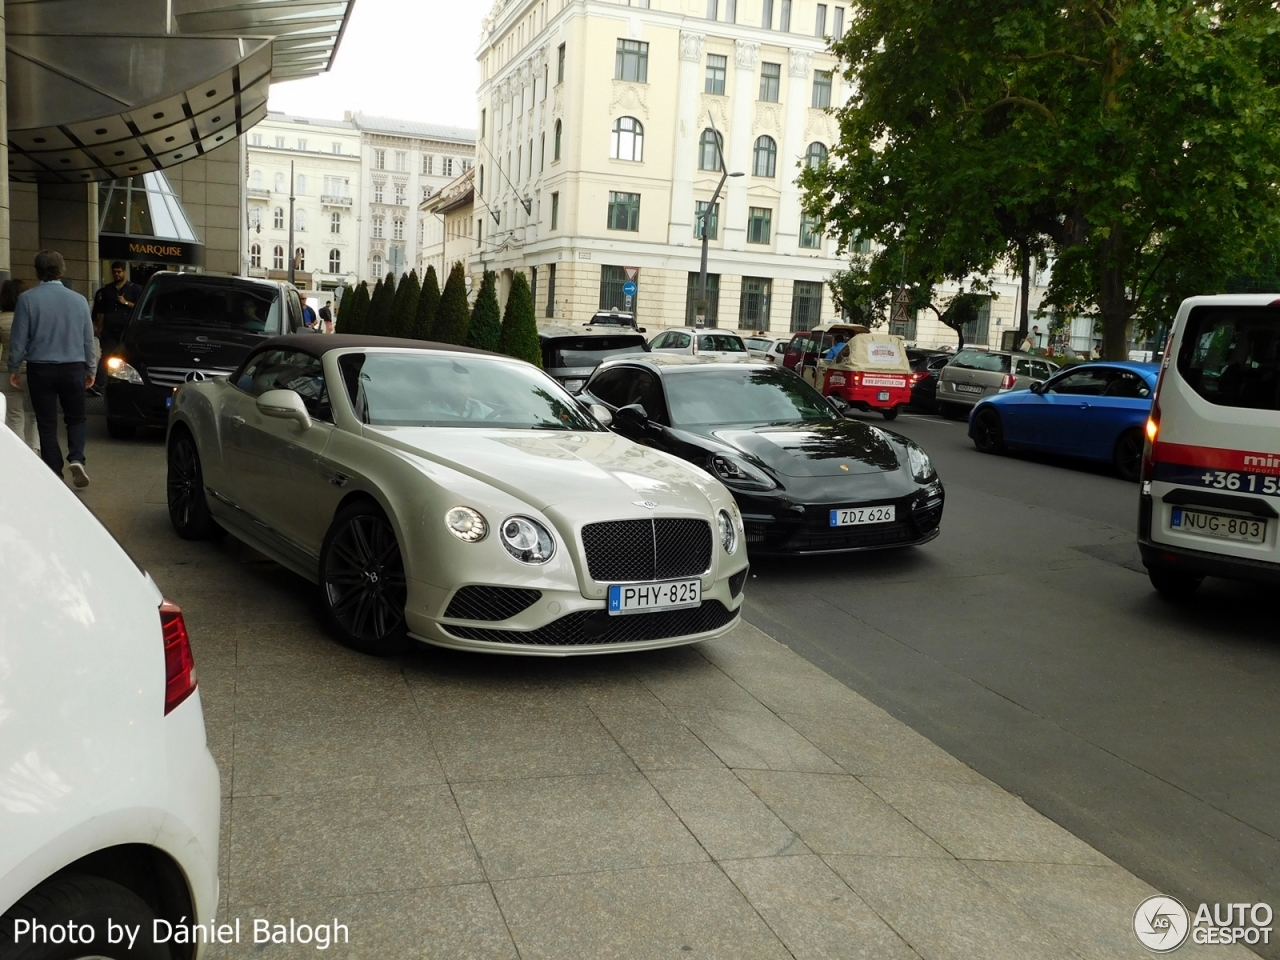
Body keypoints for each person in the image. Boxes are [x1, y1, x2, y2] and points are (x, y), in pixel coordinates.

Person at [7, 251, 96, 486]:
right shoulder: (79, 301)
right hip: (73, 367)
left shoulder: (27, 299)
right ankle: (76, 457)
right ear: (62, 270)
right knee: (76, 418)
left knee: (46, 422)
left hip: (40, 368)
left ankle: (54, 471)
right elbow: (88, 339)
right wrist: (91, 369)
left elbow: (19, 339)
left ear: (37, 271)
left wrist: (14, 367)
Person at [0, 279, 38, 452]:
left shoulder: (1, 319)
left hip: (7, 371)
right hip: (33, 369)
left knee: (14, 416)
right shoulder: (32, 317)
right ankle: (36, 449)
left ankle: (19, 452)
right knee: (37, 414)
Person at [92, 261, 141, 383]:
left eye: (119, 272)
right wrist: (99, 327)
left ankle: (122, 382)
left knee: (126, 357)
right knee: (107, 355)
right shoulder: (107, 290)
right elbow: (102, 310)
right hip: (109, 329)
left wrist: (125, 302)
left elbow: (140, 308)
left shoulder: (135, 289)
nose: (116, 274)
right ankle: (99, 383)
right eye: (114, 272)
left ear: (124, 272)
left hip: (126, 329)